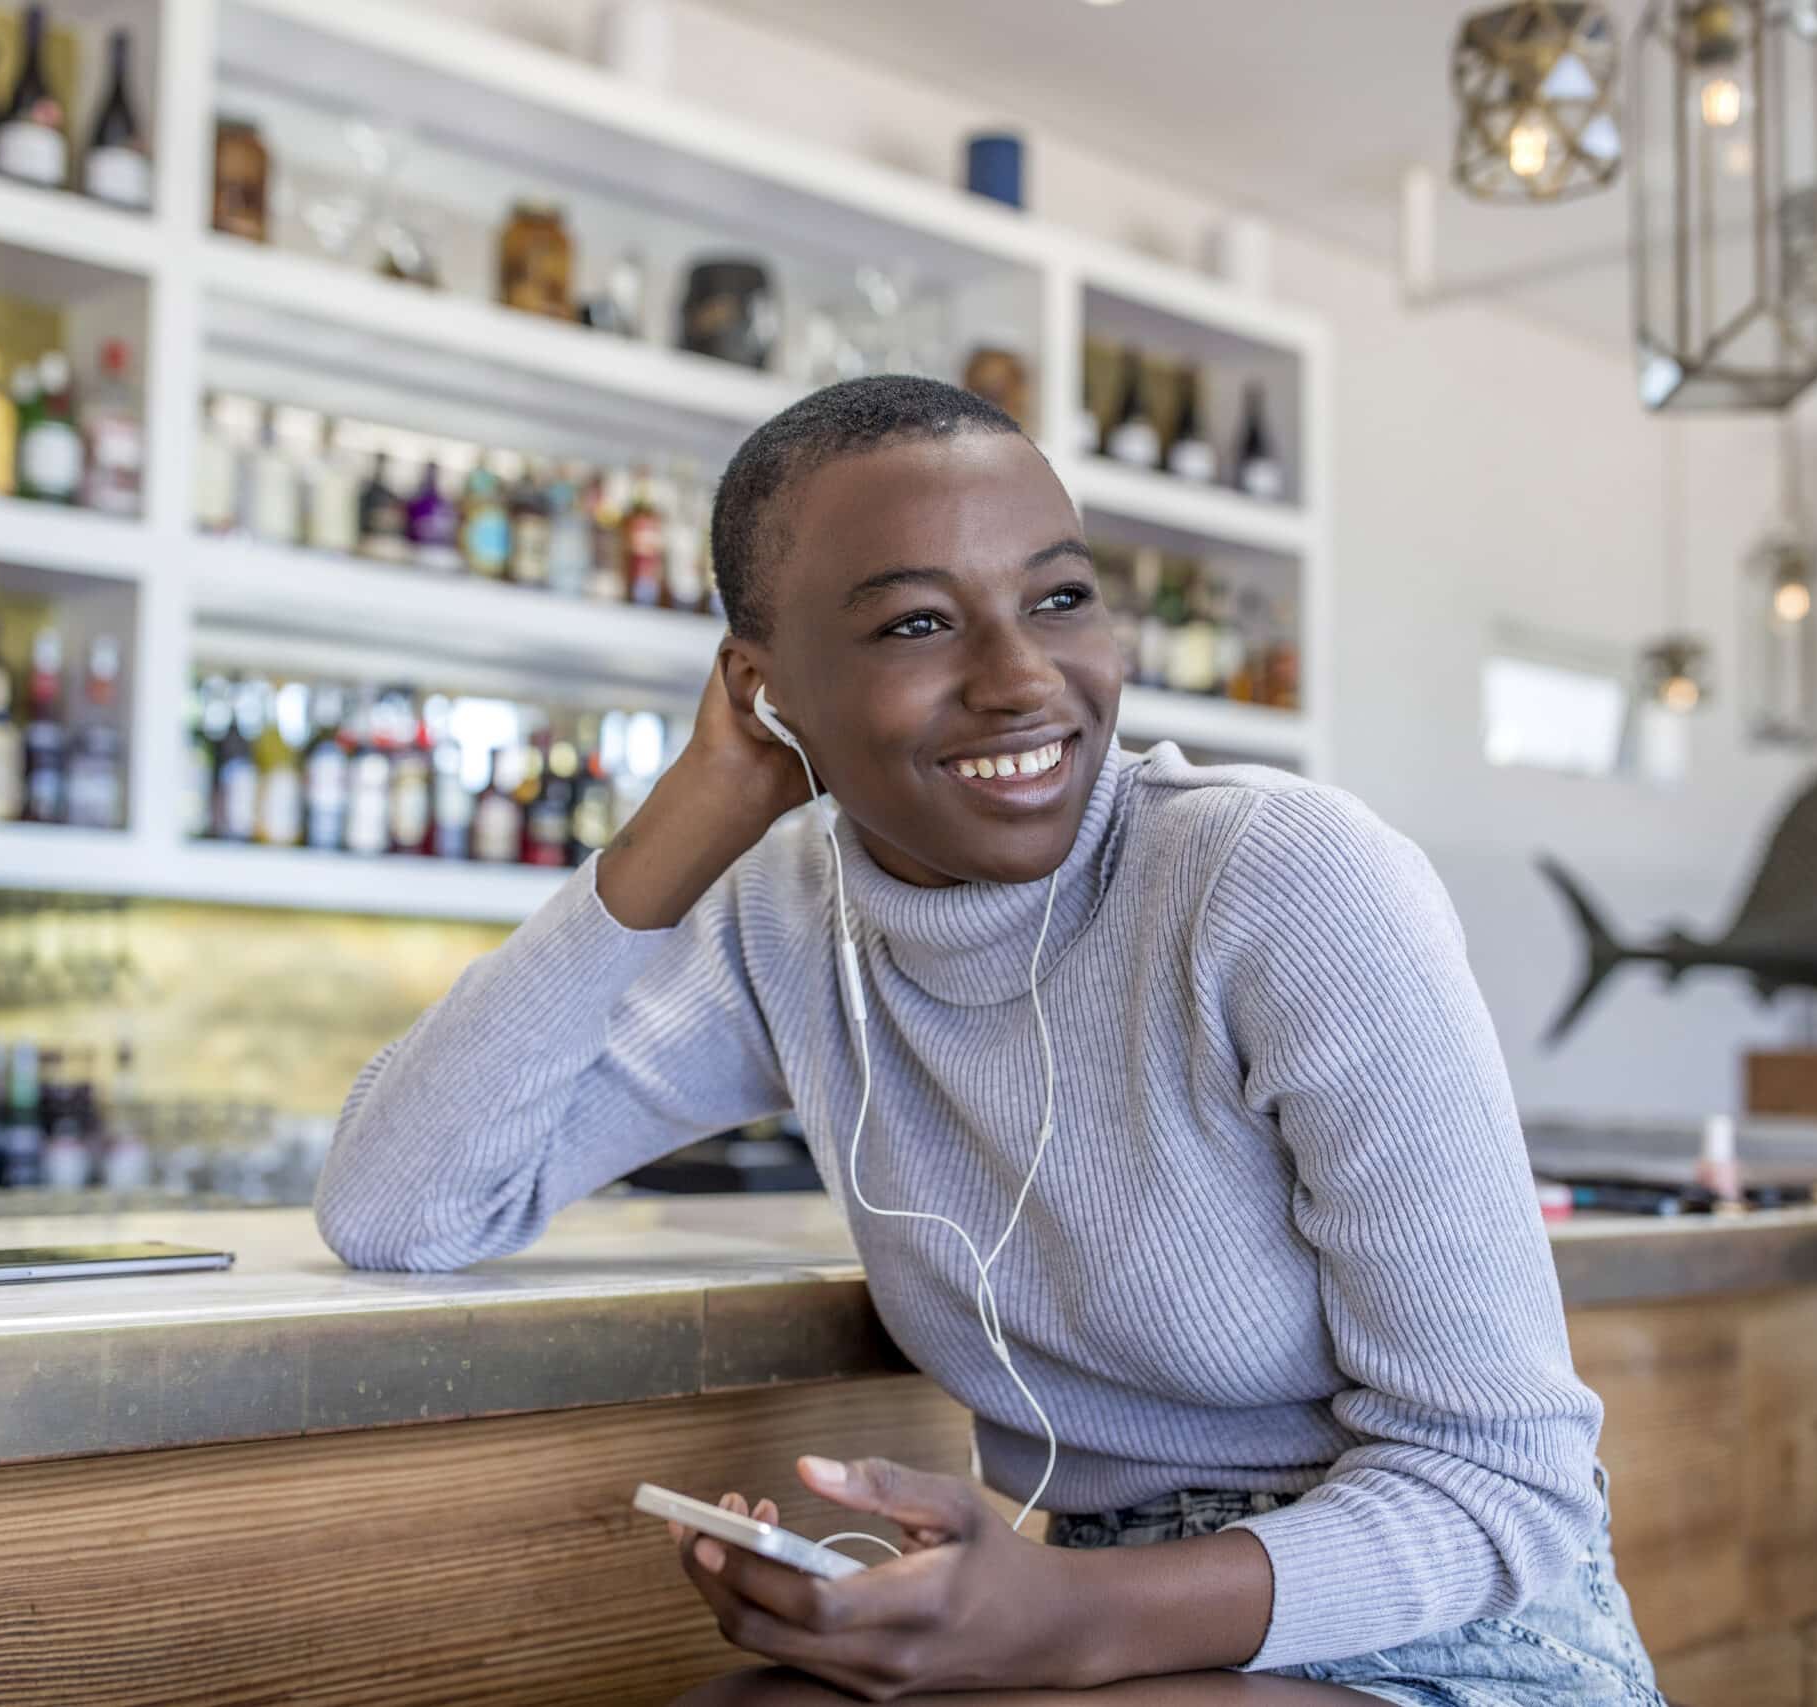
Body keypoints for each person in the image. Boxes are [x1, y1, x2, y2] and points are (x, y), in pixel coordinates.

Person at [314, 375, 1663, 1705]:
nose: (1023, 681)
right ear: (766, 686)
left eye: (1060, 599)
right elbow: (402, 1206)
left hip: (1459, 1639)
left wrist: (1057, 1620)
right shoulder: (793, 928)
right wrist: (695, 813)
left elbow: (1508, 1484)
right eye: (914, 624)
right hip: (1105, 1624)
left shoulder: (1279, 881)